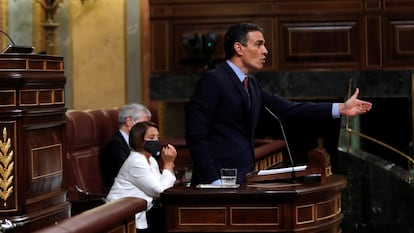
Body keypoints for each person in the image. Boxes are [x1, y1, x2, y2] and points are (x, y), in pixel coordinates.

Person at [185, 22, 372, 186]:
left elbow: (289, 109)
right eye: (258, 44)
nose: (265, 51)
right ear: (239, 48)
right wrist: (213, 181)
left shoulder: (252, 85)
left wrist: (341, 108)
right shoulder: (213, 80)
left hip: (241, 179)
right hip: (215, 183)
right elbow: (196, 135)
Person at [105, 121, 177, 232]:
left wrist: (169, 164)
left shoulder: (151, 159)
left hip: (140, 213)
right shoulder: (136, 162)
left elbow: (163, 184)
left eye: (157, 137)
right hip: (120, 215)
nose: (156, 141)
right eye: (152, 138)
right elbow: (161, 191)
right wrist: (168, 163)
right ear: (139, 141)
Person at [100, 103, 152, 192]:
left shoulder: (134, 142)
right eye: (144, 124)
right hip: (122, 195)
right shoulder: (115, 145)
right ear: (129, 122)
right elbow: (132, 171)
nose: (147, 129)